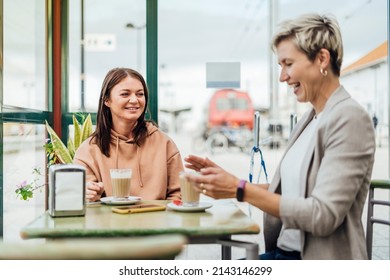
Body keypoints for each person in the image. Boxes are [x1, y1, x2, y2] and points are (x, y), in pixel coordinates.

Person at [184, 13, 375, 260]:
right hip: (282, 253)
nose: (282, 77)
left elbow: (323, 215)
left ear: (322, 58)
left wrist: (240, 189)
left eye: (288, 64)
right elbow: (288, 193)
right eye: (280, 66)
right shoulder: (308, 120)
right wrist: (229, 184)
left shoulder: (350, 119)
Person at [74, 67, 183, 202]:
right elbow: (80, 199)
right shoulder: (89, 150)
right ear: (107, 100)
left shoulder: (164, 143)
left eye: (140, 94)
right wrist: (90, 196)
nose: (134, 100)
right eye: (125, 94)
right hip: (110, 222)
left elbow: (179, 195)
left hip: (155, 222)